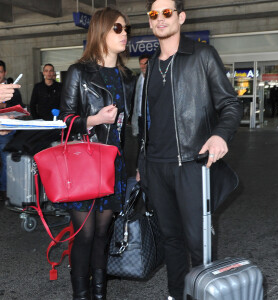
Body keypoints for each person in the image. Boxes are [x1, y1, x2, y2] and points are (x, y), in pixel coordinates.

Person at [137, 1, 243, 299]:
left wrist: (221, 136)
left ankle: (203, 294)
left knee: (198, 242)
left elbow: (230, 104)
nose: (160, 19)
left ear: (181, 17)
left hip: (192, 163)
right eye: (154, 14)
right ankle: (176, 293)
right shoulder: (150, 66)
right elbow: (146, 122)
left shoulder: (202, 55)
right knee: (171, 239)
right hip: (157, 166)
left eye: (167, 12)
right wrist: (141, 163)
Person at [59, 7, 135, 300]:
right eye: (118, 28)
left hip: (113, 165)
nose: (124, 34)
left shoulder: (126, 77)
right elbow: (64, 119)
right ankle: (81, 295)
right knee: (85, 235)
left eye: (126, 28)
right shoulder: (80, 71)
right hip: (84, 165)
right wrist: (94, 120)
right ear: (101, 32)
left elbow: (129, 128)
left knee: (102, 235)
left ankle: (100, 293)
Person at [0, 60, 24, 201]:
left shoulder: (12, 89)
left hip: (7, 130)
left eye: (0, 71)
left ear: (5, 72)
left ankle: (4, 189)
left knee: (6, 159)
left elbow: (18, 108)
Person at [131, 54, 151, 137]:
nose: (143, 66)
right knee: (140, 143)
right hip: (140, 118)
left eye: (146, 63)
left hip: (151, 118)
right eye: (141, 63)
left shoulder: (155, 79)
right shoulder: (137, 80)